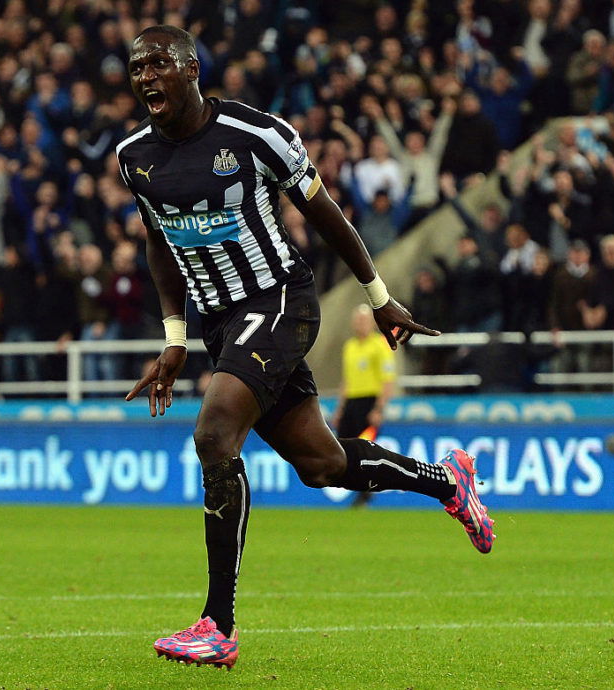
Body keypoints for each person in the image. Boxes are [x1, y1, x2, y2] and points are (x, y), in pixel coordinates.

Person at [119, 26, 495, 670]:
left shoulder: (256, 135)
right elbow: (158, 243)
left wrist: (379, 297)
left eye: (158, 65)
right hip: (220, 324)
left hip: (279, 302)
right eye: (136, 68)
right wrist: (175, 339)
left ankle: (218, 624)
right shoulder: (134, 157)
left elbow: (327, 216)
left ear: (190, 69)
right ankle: (446, 481)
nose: (145, 77)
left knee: (213, 436)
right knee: (321, 466)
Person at [332, 304, 398, 508]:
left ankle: (366, 492)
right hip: (352, 402)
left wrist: (378, 408)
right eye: (358, 320)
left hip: (369, 401)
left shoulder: (379, 345)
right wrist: (340, 408)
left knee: (366, 449)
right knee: (345, 447)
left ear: (372, 323)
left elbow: (387, 380)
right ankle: (356, 488)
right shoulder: (349, 346)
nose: (360, 324)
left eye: (364, 320)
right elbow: (346, 379)